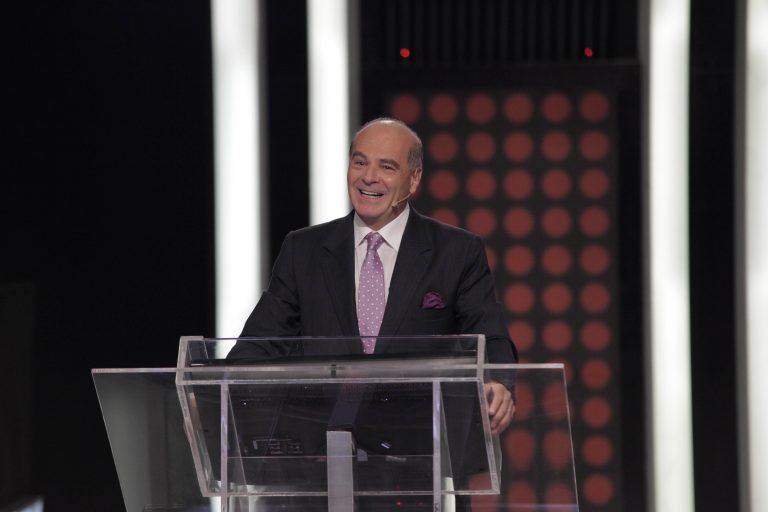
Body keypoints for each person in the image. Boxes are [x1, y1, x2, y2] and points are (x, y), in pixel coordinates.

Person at [230, 118, 517, 509]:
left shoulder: (456, 252)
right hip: (320, 470)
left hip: (420, 472)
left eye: (387, 166)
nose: (368, 177)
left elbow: (490, 333)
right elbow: (260, 342)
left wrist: (498, 382)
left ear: (413, 180)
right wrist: (211, 393)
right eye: (359, 162)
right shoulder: (304, 250)